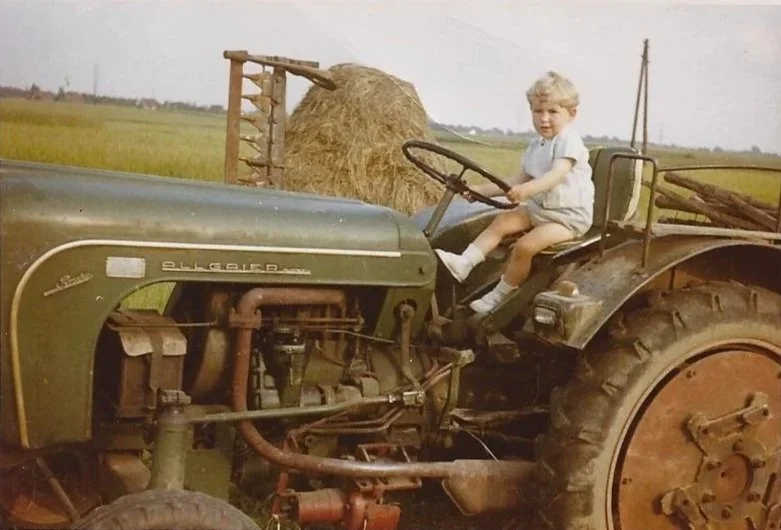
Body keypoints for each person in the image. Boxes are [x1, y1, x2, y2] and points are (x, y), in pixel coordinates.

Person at [435, 71, 594, 313]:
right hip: (541, 209)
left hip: (568, 218)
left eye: (553, 112)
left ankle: (499, 296)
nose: (544, 119)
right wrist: (478, 190)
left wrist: (526, 190)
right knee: (502, 221)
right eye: (538, 111)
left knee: (524, 246)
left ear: (572, 114)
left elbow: (555, 175)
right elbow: (514, 180)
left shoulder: (568, 141)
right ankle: (464, 263)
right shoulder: (536, 144)